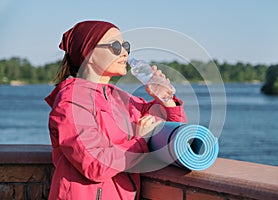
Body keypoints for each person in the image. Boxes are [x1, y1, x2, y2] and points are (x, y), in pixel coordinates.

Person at [45, 20, 187, 200]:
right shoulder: (71, 102)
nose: (125, 52)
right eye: (115, 46)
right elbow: (94, 164)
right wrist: (140, 141)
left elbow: (171, 138)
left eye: (125, 45)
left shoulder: (121, 98)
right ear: (88, 52)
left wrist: (166, 100)